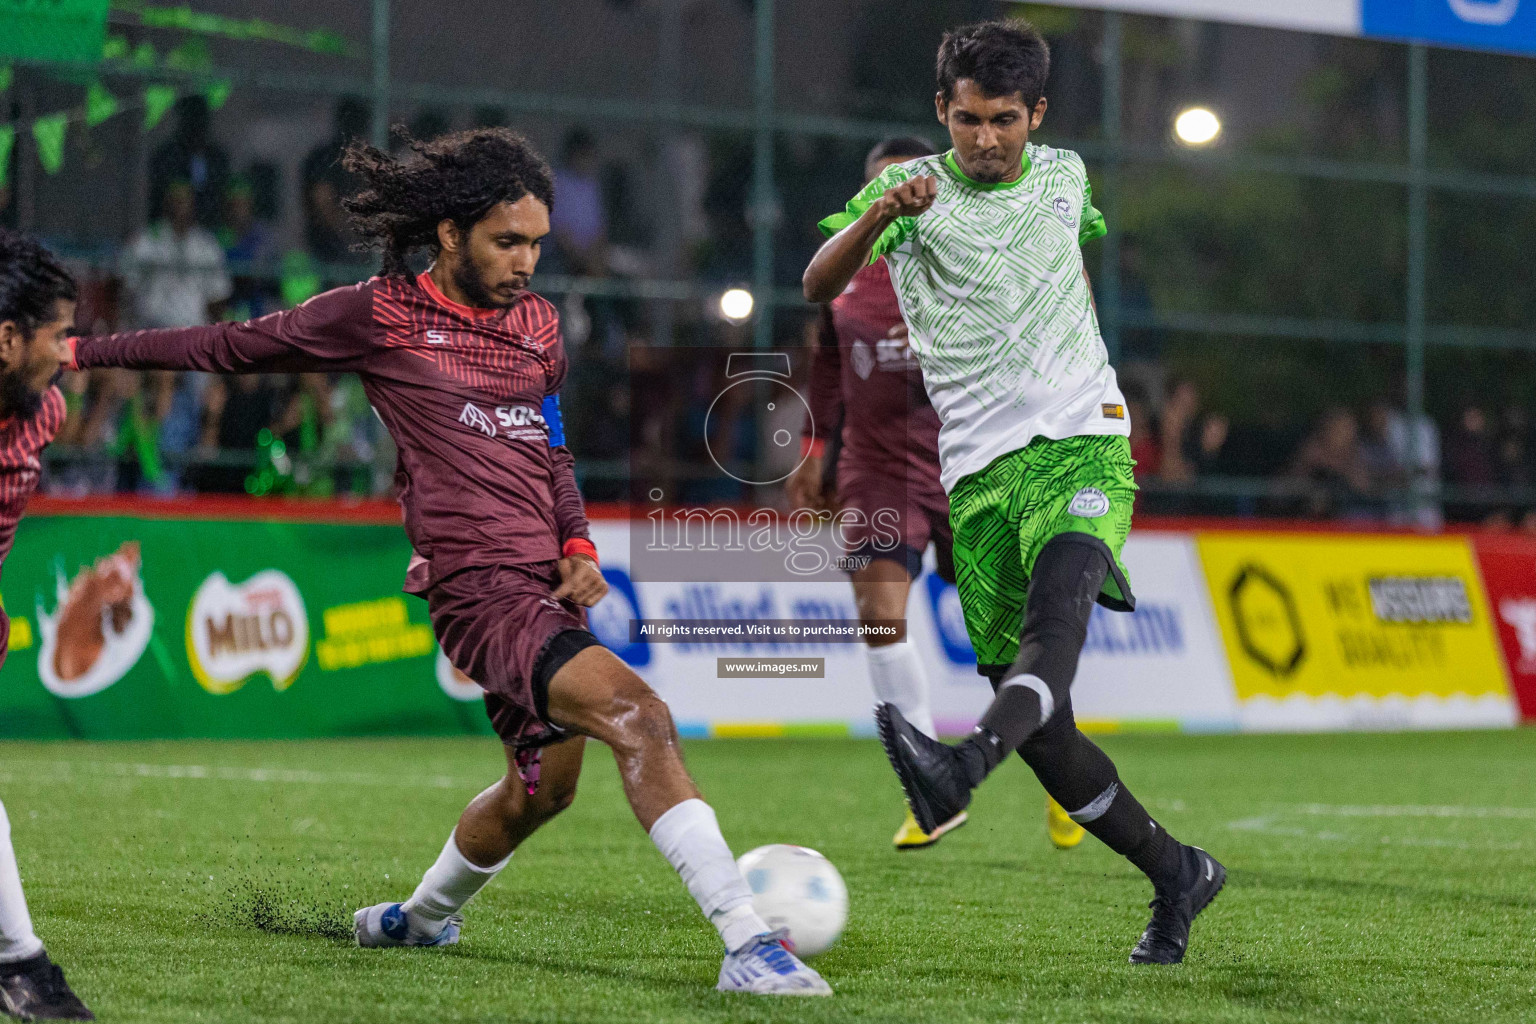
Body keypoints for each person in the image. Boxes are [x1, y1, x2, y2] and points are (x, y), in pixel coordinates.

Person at [70, 128, 830, 997]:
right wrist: (81, 354)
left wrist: (578, 543)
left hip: (546, 586)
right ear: (447, 234)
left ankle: (416, 920)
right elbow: (227, 347)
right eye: (508, 242)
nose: (527, 262)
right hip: (478, 593)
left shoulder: (541, 325)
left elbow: (551, 447)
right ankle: (746, 944)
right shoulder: (376, 315)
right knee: (641, 716)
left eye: (538, 242)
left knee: (540, 793)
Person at [803, 19, 1224, 965]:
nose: (985, 140)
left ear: (1037, 115)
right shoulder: (899, 197)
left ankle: (960, 768)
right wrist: (880, 217)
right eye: (966, 121)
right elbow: (815, 280)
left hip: (1083, 449)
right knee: (1050, 731)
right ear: (941, 114)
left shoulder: (1066, 174)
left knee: (1055, 634)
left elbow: (1057, 263)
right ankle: (1178, 875)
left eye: (1004, 120)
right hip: (978, 477)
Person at [786, 135, 1085, 853]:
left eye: (909, 186)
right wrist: (812, 447)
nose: (897, 200)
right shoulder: (850, 274)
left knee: (1008, 643)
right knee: (879, 612)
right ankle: (928, 794)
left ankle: (1062, 781)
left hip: (969, 463)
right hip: (878, 467)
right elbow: (828, 364)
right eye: (880, 190)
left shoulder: (971, 262)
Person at [0, 228, 94, 1020]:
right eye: (58, 334)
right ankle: (21, 964)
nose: (69, 352)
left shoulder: (46, 413)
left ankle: (18, 963)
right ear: (8, 338)